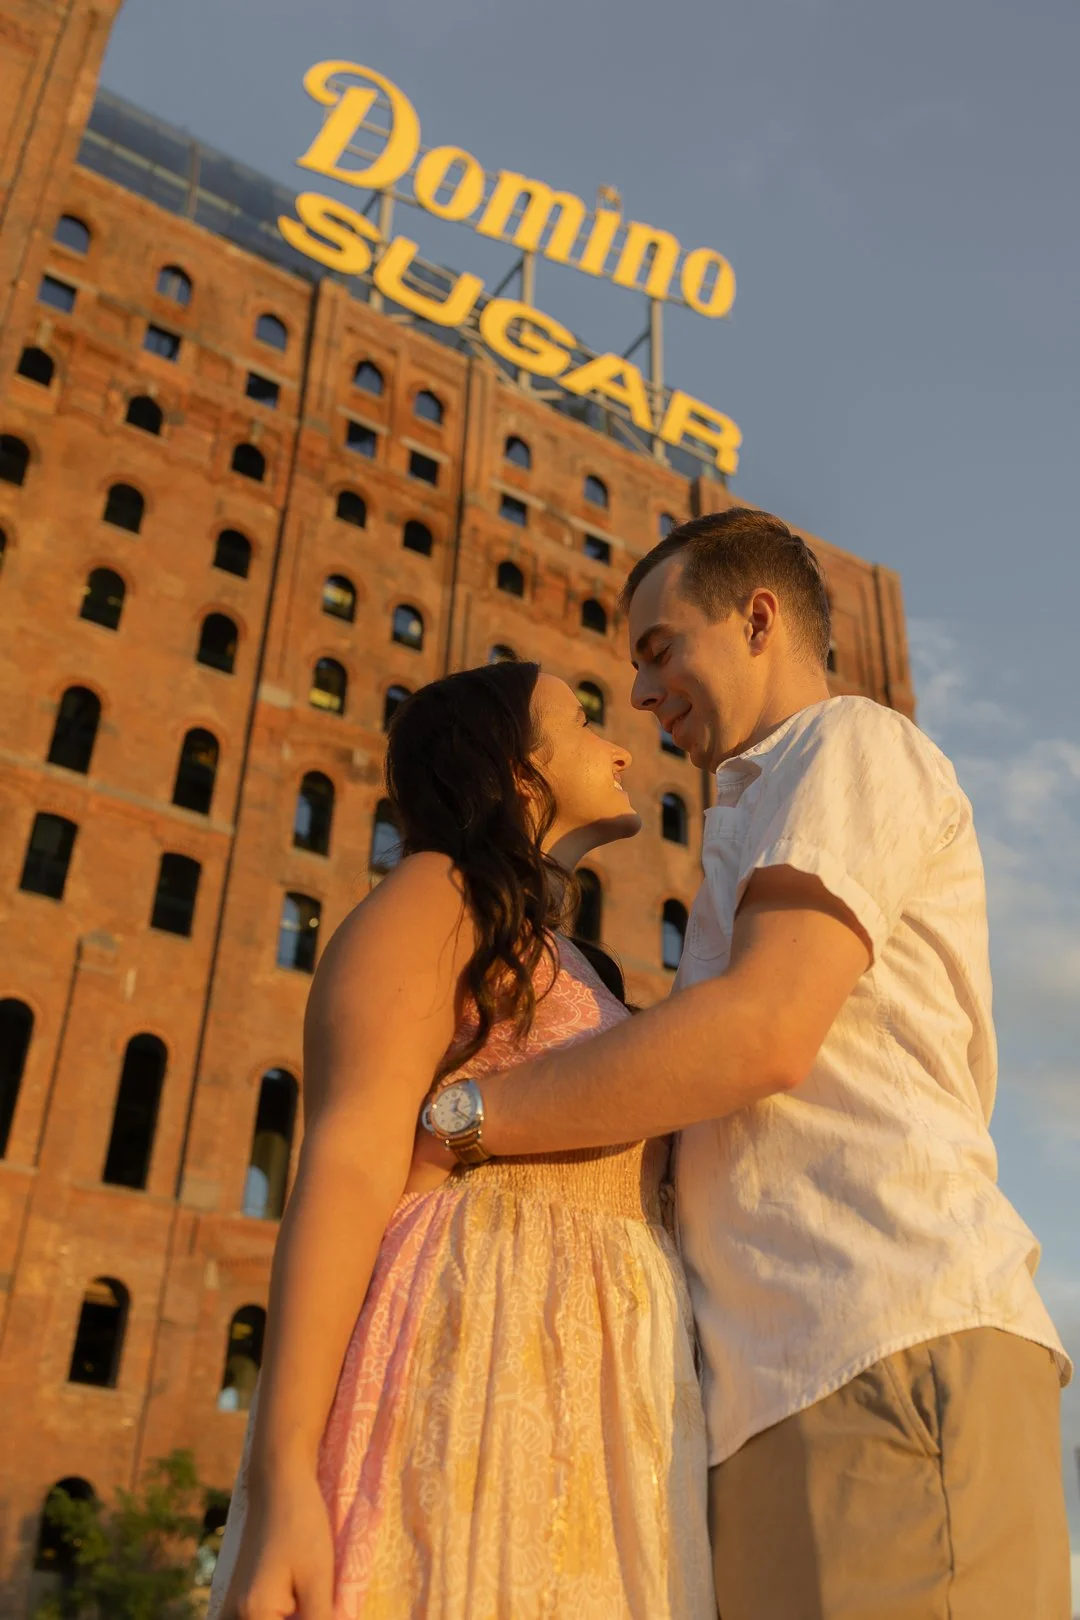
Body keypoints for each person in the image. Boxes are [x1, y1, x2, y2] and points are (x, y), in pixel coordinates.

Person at [414, 509, 1073, 1619]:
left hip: (880, 1333)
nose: (641, 694)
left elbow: (760, 1031)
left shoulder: (848, 744)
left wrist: (460, 1120)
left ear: (757, 618)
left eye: (661, 649)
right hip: (775, 1386)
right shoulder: (763, 809)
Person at [208, 659, 713, 1620]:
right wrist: (283, 1480)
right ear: (521, 770)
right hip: (474, 1340)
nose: (620, 746)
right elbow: (348, 1167)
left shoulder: (571, 958)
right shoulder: (437, 894)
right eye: (581, 722)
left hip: (607, 1378)